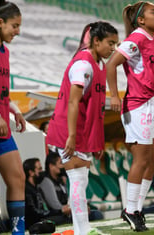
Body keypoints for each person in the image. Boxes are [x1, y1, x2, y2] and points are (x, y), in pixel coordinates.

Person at [46, 21, 119, 235]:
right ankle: (82, 231)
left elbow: (94, 106)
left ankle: (82, 229)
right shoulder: (83, 65)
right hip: (69, 128)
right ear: (96, 41)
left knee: (81, 179)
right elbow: (72, 102)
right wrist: (70, 136)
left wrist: (95, 138)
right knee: (77, 179)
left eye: (116, 44)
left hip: (83, 130)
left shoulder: (101, 65)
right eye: (110, 43)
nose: (113, 48)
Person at [106, 1, 154, 232]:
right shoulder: (137, 38)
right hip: (137, 106)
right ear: (141, 20)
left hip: (152, 104)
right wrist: (114, 95)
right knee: (141, 160)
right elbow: (112, 64)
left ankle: (136, 209)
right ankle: (130, 210)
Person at [0, 0, 26, 235]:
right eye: (14, 26)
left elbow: (1, 89)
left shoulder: (3, 51)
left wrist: (14, 110)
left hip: (1, 127)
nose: (17, 31)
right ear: (0, 22)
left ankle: (18, 231)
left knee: (18, 178)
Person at [39, 152, 103, 223]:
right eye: (60, 163)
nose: (63, 166)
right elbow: (55, 206)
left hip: (67, 212)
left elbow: (68, 199)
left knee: (96, 214)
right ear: (51, 166)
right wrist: (73, 209)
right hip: (57, 215)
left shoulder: (61, 180)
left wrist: (79, 205)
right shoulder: (47, 182)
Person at [23, 158, 70, 230]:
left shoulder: (35, 188)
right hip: (34, 223)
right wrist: (60, 211)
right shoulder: (27, 190)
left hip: (41, 219)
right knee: (64, 219)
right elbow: (34, 213)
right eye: (39, 169)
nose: (42, 172)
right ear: (31, 172)